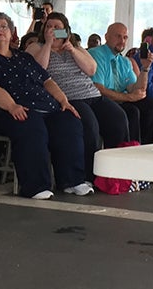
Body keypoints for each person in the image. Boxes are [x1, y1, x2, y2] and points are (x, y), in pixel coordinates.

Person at [0, 12, 91, 199]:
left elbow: (47, 80)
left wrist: (63, 101)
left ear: (12, 34)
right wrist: (11, 106)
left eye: (4, 27)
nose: (0, 30)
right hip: (4, 110)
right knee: (30, 124)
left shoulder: (23, 57)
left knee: (69, 120)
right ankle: (35, 186)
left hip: (43, 107)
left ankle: (72, 181)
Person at [27, 12, 128, 179]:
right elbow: (39, 70)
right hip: (69, 98)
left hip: (92, 94)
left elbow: (91, 69)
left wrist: (72, 50)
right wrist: (48, 44)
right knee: (90, 125)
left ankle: (117, 172)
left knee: (118, 118)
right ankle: (91, 175)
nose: (52, 30)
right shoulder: (36, 47)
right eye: (49, 27)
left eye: (57, 28)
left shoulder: (75, 48)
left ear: (65, 30)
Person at [89, 22, 153, 144]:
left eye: (125, 37)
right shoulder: (96, 54)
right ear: (107, 37)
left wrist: (145, 68)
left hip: (121, 99)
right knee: (132, 111)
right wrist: (128, 97)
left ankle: (145, 148)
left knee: (150, 105)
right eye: (118, 36)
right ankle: (129, 150)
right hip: (101, 101)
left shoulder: (124, 61)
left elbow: (137, 89)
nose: (122, 41)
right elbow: (99, 89)